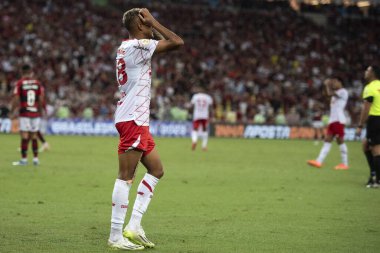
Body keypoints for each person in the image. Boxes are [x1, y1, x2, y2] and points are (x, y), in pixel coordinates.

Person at [108, 8, 184, 250]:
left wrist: (150, 25)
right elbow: (177, 42)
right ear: (140, 26)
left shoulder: (127, 47)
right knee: (126, 177)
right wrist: (156, 21)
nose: (151, 28)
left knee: (156, 170)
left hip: (137, 119)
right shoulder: (138, 46)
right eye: (147, 24)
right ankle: (115, 235)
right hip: (132, 119)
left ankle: (134, 225)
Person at [307, 78, 349, 170]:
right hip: (333, 120)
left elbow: (329, 93)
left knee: (340, 140)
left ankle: (345, 164)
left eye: (335, 82)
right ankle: (318, 161)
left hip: (338, 120)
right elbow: (326, 94)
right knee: (327, 141)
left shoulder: (343, 92)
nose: (333, 84)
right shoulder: (335, 94)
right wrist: (325, 85)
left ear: (340, 83)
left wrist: (327, 85)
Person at [10, 64, 45, 166]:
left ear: (22, 72)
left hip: (25, 112)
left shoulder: (20, 83)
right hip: (35, 113)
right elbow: (41, 98)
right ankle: (35, 159)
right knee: (34, 136)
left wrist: (12, 111)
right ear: (31, 72)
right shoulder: (37, 83)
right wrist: (40, 111)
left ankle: (24, 160)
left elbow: (16, 98)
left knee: (24, 135)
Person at [356, 66, 380, 188]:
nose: (365, 72)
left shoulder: (370, 88)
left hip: (375, 119)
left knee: (376, 149)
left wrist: (360, 125)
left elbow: (366, 108)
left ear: (373, 73)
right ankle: (373, 175)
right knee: (366, 145)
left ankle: (377, 181)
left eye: (367, 70)